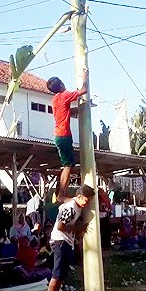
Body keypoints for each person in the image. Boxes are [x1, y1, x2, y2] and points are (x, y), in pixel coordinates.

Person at [44, 184, 94, 291]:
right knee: (57, 275)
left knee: (61, 277)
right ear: (79, 197)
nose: (86, 204)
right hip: (60, 241)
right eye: (86, 200)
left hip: (66, 242)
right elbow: (61, 226)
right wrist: (79, 228)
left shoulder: (75, 204)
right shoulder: (71, 208)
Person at [46, 72, 88, 203]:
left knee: (67, 165)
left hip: (59, 135)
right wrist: (85, 77)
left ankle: (60, 193)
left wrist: (79, 109)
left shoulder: (55, 99)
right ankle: (62, 194)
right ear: (61, 85)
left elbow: (66, 113)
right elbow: (84, 90)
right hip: (64, 135)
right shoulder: (65, 95)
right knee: (67, 166)